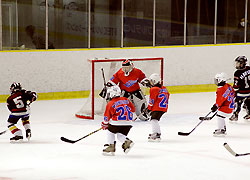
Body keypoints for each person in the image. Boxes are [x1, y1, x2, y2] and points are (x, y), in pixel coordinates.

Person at [101, 85, 135, 156]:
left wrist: (105, 124)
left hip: (117, 122)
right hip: (129, 123)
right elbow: (133, 109)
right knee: (120, 135)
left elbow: (106, 117)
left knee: (110, 132)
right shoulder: (125, 99)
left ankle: (111, 147)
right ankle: (127, 141)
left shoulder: (110, 103)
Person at [147, 73, 170, 142]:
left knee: (154, 120)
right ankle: (156, 133)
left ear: (154, 81)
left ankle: (156, 134)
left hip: (157, 108)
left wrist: (149, 109)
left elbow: (152, 100)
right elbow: (168, 95)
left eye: (151, 81)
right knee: (154, 119)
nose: (150, 83)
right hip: (163, 107)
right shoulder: (164, 88)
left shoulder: (153, 89)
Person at [229, 56, 250, 122]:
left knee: (237, 103)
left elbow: (236, 86)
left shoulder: (237, 73)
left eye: (238, 63)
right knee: (248, 102)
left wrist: (233, 92)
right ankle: (249, 113)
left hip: (241, 93)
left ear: (242, 63)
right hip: (249, 92)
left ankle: (235, 115)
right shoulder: (249, 69)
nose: (237, 65)